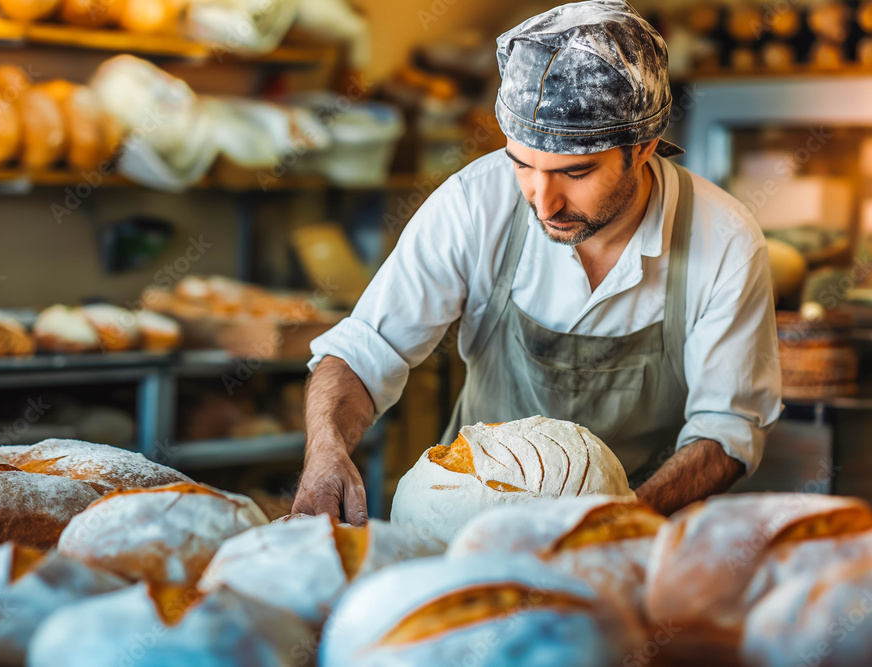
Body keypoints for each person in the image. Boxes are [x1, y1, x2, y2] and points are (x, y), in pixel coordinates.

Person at [292, 0, 782, 522]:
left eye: (575, 173)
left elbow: (726, 431)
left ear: (643, 148)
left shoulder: (724, 241)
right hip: (468, 534)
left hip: (636, 540)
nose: (542, 202)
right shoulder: (473, 203)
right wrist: (325, 448)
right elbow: (364, 354)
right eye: (522, 164)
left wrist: (611, 523)